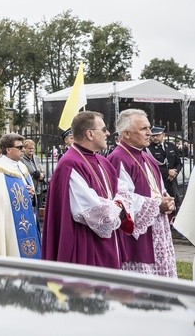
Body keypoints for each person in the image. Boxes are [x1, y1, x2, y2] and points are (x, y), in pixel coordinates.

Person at [42, 111, 134, 269]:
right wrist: (118, 205)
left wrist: (118, 203)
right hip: (86, 242)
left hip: (110, 239)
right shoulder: (70, 164)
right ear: (90, 134)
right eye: (104, 129)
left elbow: (124, 190)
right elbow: (91, 210)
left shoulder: (102, 161)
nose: (108, 133)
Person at [107, 109, 177, 278]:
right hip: (137, 235)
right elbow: (123, 199)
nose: (149, 133)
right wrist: (156, 205)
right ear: (127, 133)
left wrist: (167, 200)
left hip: (158, 226)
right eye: (143, 129)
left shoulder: (147, 157)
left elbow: (157, 189)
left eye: (149, 128)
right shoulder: (118, 158)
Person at [147, 126, 182, 217]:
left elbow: (178, 163)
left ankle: (175, 220)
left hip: (172, 179)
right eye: (153, 136)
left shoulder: (170, 146)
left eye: (157, 135)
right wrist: (167, 172)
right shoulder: (148, 149)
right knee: (164, 202)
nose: (155, 137)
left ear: (163, 135)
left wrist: (175, 172)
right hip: (160, 180)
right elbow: (150, 166)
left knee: (176, 200)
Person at [22, 139, 45, 231]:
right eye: (29, 148)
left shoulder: (36, 158)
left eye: (33, 148)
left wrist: (41, 175)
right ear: (24, 149)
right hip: (28, 189)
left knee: (38, 212)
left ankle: (37, 229)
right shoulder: (22, 160)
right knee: (29, 211)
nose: (31, 150)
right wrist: (33, 175)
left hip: (38, 188)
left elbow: (42, 170)